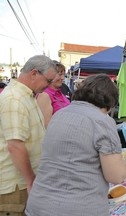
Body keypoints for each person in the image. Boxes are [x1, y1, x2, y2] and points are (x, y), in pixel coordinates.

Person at [25, 74, 126, 216]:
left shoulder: (59, 114)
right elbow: (115, 176)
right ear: (110, 102)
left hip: (39, 203)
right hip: (78, 207)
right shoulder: (102, 121)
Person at [0, 55, 57, 216]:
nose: (48, 86)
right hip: (15, 187)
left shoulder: (27, 96)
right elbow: (15, 146)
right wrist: (30, 179)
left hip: (22, 183)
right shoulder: (14, 99)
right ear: (34, 73)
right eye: (47, 81)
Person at [37, 61, 70, 128]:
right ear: (50, 75)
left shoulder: (60, 93)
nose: (63, 78)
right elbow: (46, 125)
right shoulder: (44, 95)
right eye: (60, 75)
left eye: (64, 75)